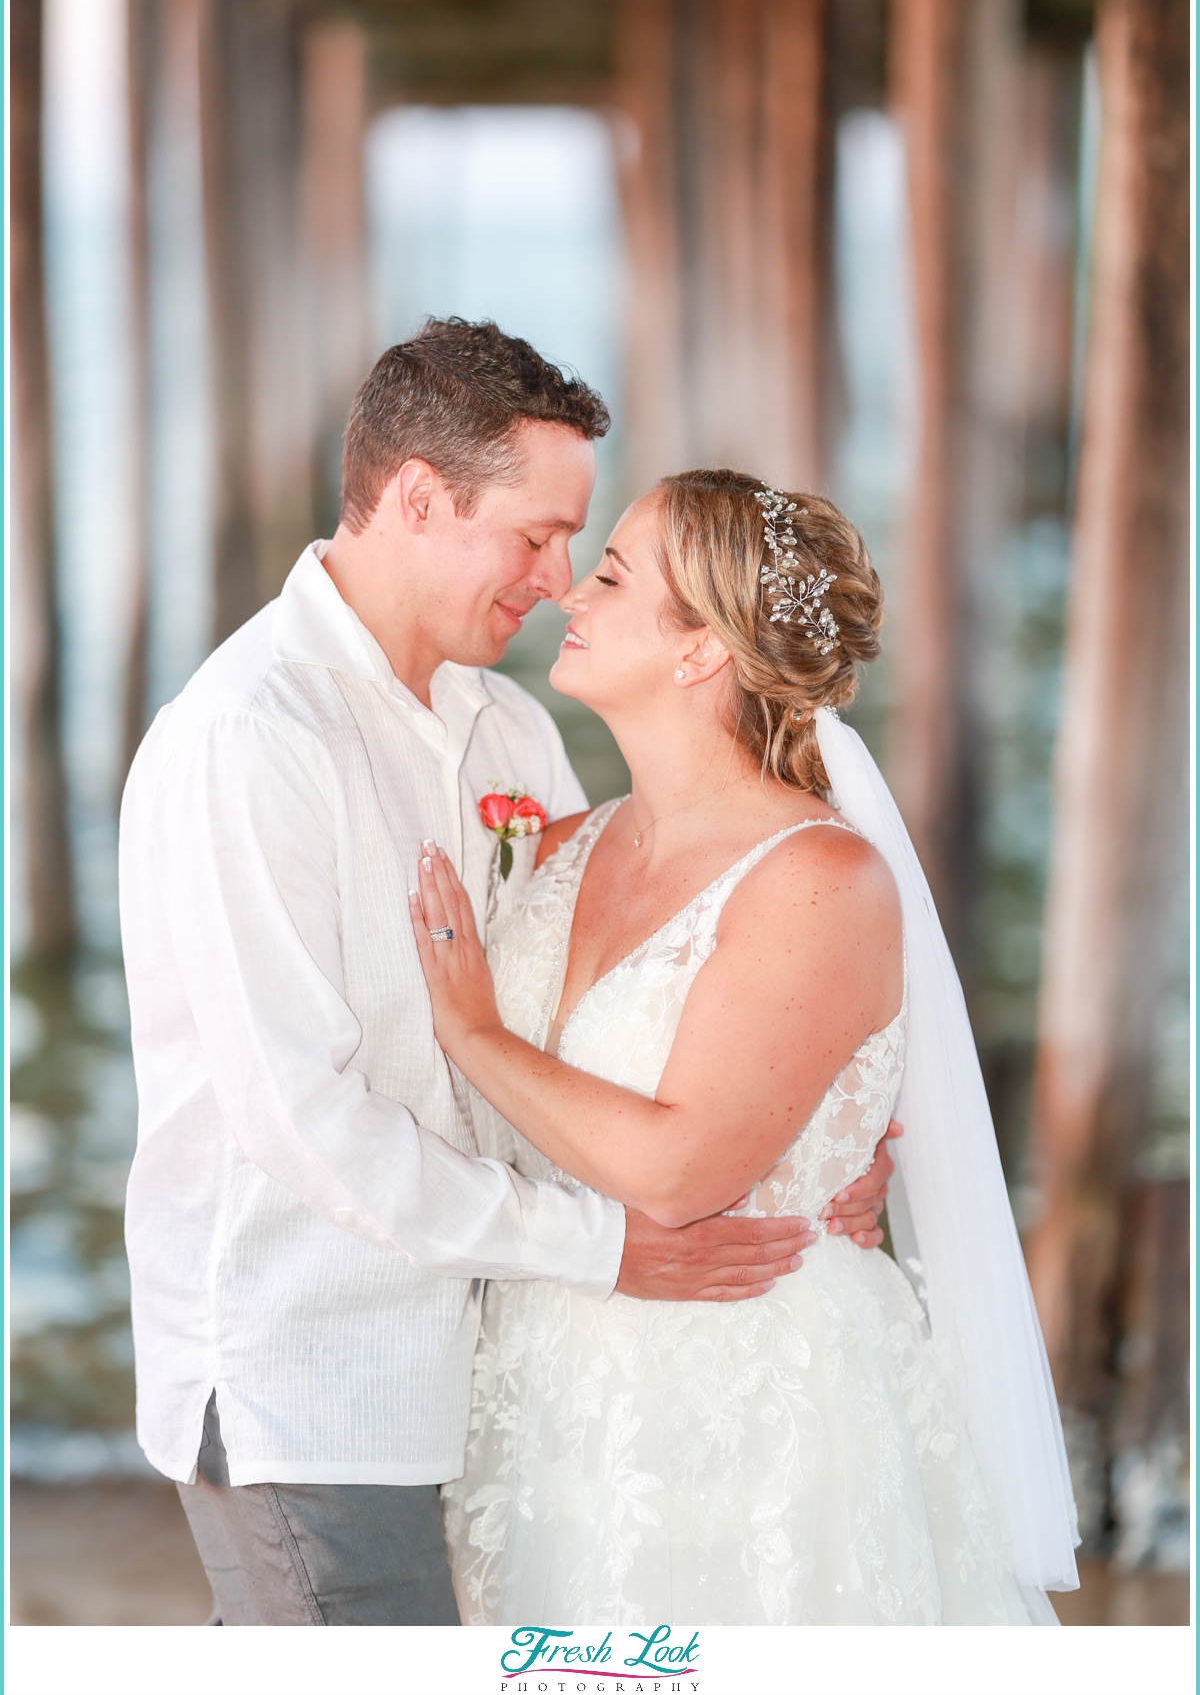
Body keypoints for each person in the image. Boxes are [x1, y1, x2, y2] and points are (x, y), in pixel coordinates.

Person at [119, 321, 891, 1627]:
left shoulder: (509, 722)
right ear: (418, 497)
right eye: (534, 535)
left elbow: (632, 988)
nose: (556, 578)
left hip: (485, 1380)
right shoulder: (250, 739)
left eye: (577, 544)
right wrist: (606, 1245)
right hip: (317, 1386)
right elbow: (308, 1127)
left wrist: (827, 1127)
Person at [412, 468, 1081, 1626]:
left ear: (700, 652)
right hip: (539, 1391)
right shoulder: (559, 845)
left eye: (614, 576)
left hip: (743, 1407)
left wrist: (470, 1028)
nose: (571, 593)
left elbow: (683, 1171)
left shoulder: (820, 881)